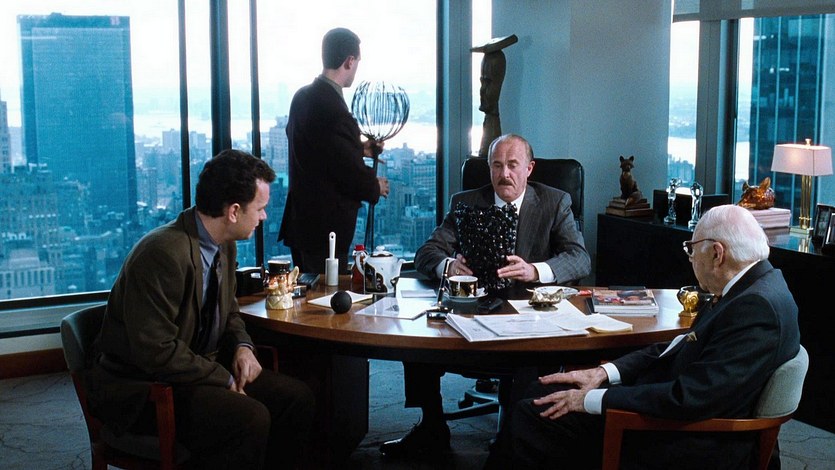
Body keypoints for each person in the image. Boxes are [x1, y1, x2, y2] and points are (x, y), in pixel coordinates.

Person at [486, 204, 801, 469]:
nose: (690, 259)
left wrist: (592, 400)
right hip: (675, 410)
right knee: (539, 390)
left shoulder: (754, 308)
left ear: (717, 254)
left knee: (531, 416)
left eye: (692, 250)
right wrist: (604, 373)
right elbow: (678, 346)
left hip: (689, 440)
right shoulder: (752, 286)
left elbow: (689, 398)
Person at [85, 150, 316, 470]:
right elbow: (156, 352)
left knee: (297, 399)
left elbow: (229, 311)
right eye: (260, 208)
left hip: (195, 370)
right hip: (146, 388)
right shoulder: (163, 254)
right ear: (234, 211)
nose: (264, 216)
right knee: (250, 418)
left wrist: (243, 347)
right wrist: (224, 379)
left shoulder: (225, 243)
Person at [379, 133, 591, 458]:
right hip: (473, 310)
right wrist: (449, 265)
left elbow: (579, 258)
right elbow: (427, 253)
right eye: (497, 165)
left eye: (513, 165)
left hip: (529, 316)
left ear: (529, 169)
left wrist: (535, 270)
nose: (504, 174)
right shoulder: (466, 202)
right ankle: (432, 428)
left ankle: (512, 442)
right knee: (418, 337)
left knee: (529, 361)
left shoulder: (554, 202)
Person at [279, 27, 390, 274]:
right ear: (349, 61)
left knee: (307, 288)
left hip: (300, 221)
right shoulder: (336, 111)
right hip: (325, 230)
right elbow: (348, 174)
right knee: (326, 292)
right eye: (357, 62)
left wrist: (358, 148)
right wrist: (375, 186)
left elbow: (318, 149)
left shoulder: (302, 97)